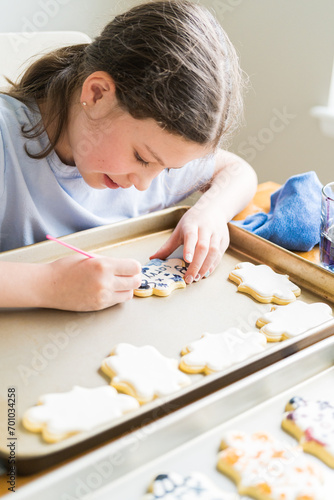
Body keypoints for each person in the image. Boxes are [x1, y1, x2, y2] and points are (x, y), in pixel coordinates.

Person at [0, 0, 257, 312]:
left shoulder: (156, 158)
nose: (145, 185)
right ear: (96, 95)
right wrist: (49, 285)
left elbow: (237, 171)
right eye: (142, 158)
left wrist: (211, 213)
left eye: (167, 169)